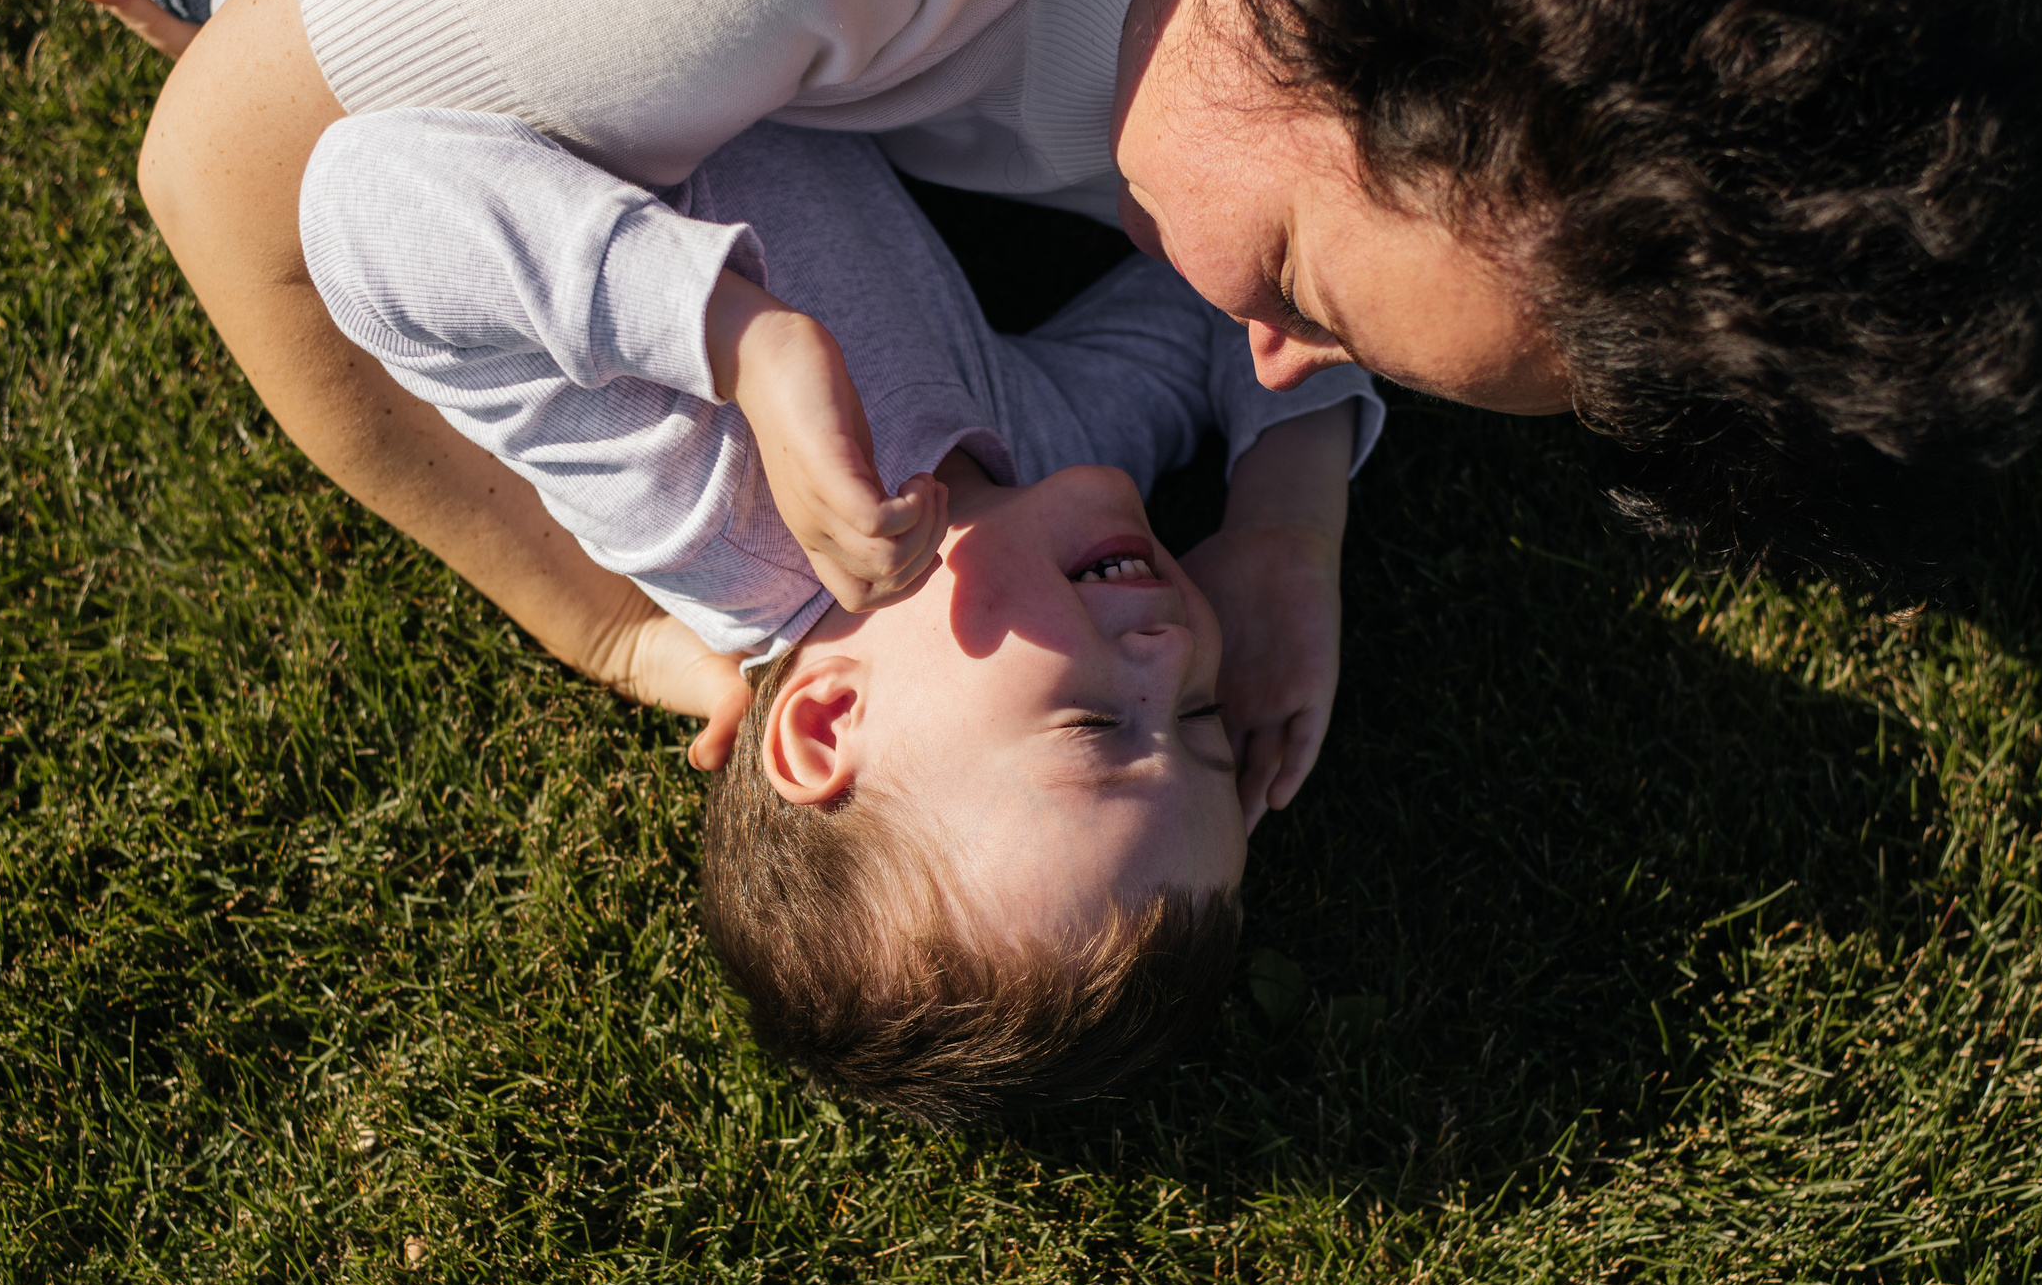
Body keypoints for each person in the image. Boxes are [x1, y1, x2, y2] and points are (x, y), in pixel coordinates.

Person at [36, 0, 2042, 744]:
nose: (1255, 352)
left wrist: (1285, 506)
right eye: (1296, 291)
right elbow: (234, 184)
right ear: (1329, 4)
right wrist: (602, 631)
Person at [303, 114, 1382, 1120]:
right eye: (1200, 718)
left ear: (823, 722)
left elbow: (362, 197)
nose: (1170, 648)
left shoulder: (703, 506)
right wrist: (1286, 523)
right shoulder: (1034, 461)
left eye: (1098, 727)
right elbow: (1237, 301)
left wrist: (737, 339)